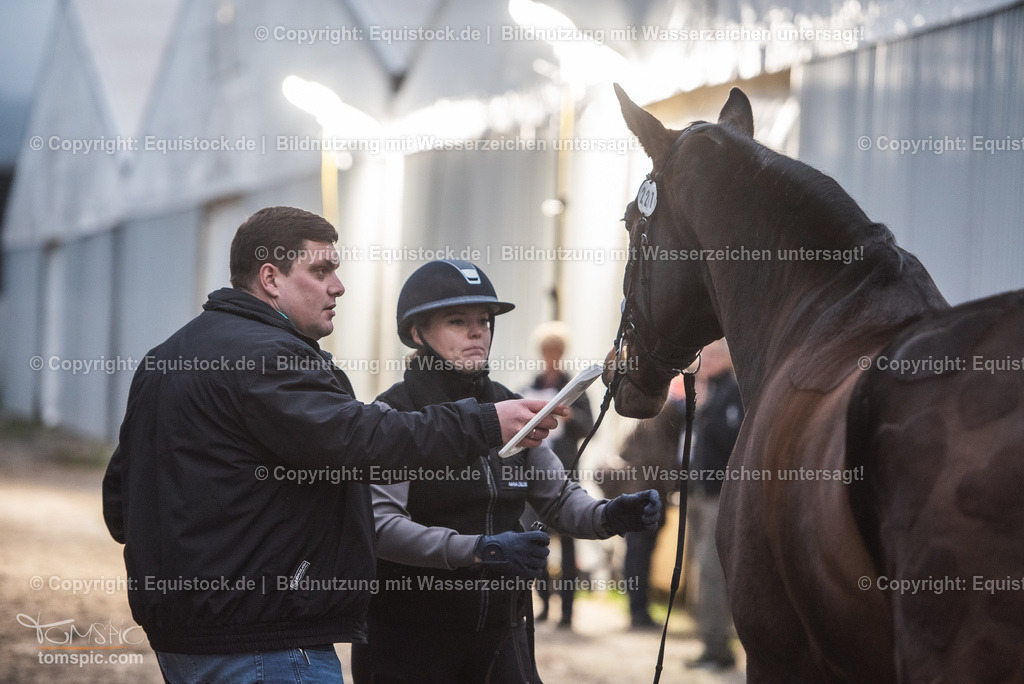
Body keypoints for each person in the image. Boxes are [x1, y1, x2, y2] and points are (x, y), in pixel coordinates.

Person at [101, 207, 560, 684]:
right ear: (270, 278)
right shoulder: (268, 359)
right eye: (321, 271)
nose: (337, 286)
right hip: (266, 642)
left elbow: (121, 501)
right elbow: (362, 441)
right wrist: (483, 422)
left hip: (188, 640)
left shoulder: (167, 357)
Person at [350, 259, 661, 683]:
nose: (478, 331)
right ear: (417, 333)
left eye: (485, 321)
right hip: (412, 637)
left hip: (503, 634)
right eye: (458, 321)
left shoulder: (509, 405)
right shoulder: (395, 414)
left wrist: (608, 516)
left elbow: (559, 498)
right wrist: (482, 548)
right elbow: (382, 528)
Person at [521, 321, 594, 629]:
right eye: (547, 350)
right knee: (535, 540)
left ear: (562, 352)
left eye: (556, 350)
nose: (551, 355)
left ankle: (567, 611)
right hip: (534, 475)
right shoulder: (529, 386)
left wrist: (570, 414)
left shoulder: (575, 389)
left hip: (564, 473)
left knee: (567, 544)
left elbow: (588, 427)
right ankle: (543, 604)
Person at [600, 376, 685, 629]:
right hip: (647, 492)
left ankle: (637, 608)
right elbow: (656, 457)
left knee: (638, 552)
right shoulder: (661, 412)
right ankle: (638, 611)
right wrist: (672, 482)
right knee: (639, 553)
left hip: (639, 490)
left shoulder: (641, 411)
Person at [685, 338, 743, 671]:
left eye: (705, 355)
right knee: (700, 572)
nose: (701, 361)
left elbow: (732, 438)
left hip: (718, 495)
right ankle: (708, 642)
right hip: (697, 492)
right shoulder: (708, 391)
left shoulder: (731, 392)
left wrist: (706, 408)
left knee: (712, 571)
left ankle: (719, 647)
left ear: (722, 359)